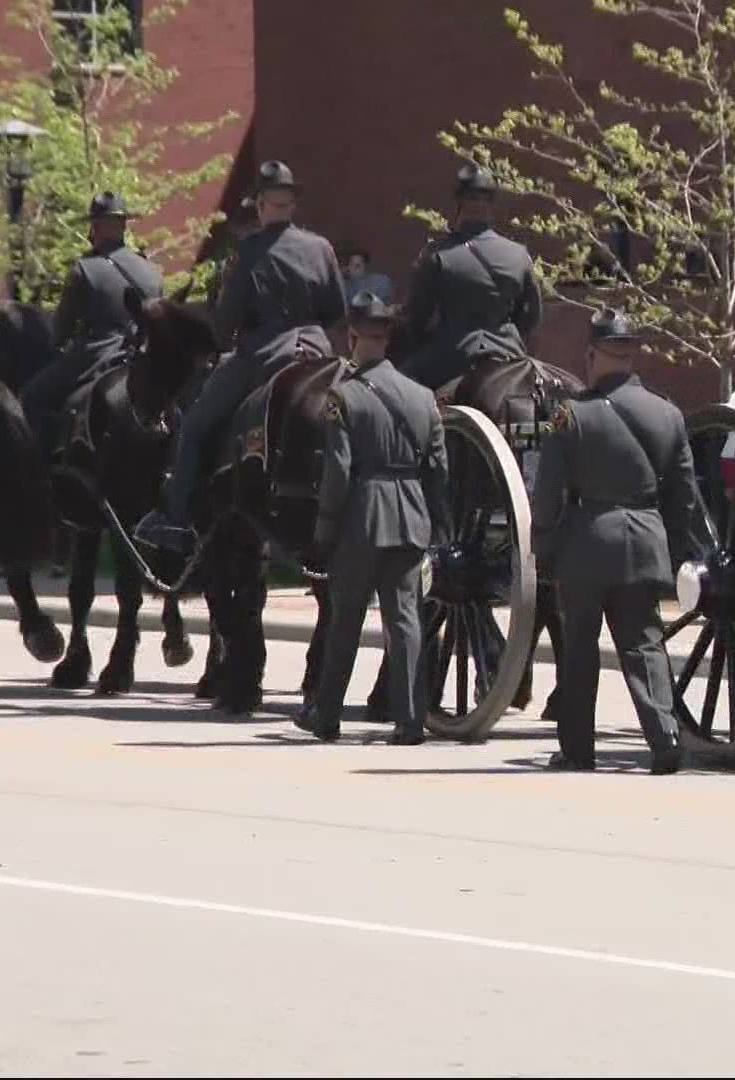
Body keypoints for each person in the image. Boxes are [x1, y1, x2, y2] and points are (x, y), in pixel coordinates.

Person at [137, 160, 346, 551]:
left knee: (196, 424)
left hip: (264, 353)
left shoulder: (248, 252)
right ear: (291, 204)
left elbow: (224, 326)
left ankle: (177, 521)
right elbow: (336, 311)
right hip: (319, 350)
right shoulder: (322, 247)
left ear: (263, 204)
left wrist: (224, 335)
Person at [531, 309, 706, 775]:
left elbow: (548, 491)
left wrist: (543, 545)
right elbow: (684, 494)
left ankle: (577, 749)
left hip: (587, 542)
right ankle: (665, 737)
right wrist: (668, 545)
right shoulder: (668, 413)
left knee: (580, 648)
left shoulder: (570, 414)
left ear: (592, 354)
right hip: (645, 538)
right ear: (632, 355)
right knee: (644, 643)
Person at [295, 292, 451, 744]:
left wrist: (324, 529)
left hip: (362, 517)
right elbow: (438, 471)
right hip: (410, 515)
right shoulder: (423, 398)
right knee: (404, 619)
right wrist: (438, 525)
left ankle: (327, 714)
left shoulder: (343, 397)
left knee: (346, 620)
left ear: (354, 337)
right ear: (387, 338)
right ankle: (409, 719)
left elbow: (338, 472)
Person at [18, 191, 164, 450]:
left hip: (96, 354)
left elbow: (60, 333)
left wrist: (58, 342)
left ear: (95, 226)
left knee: (32, 397)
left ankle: (35, 474)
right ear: (122, 226)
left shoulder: (83, 269)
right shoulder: (151, 271)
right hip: (144, 357)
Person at [395, 163, 544, 390]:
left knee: (398, 386)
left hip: (451, 355)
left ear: (460, 203)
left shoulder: (438, 255)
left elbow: (416, 317)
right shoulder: (518, 254)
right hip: (509, 353)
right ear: (492, 203)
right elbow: (532, 315)